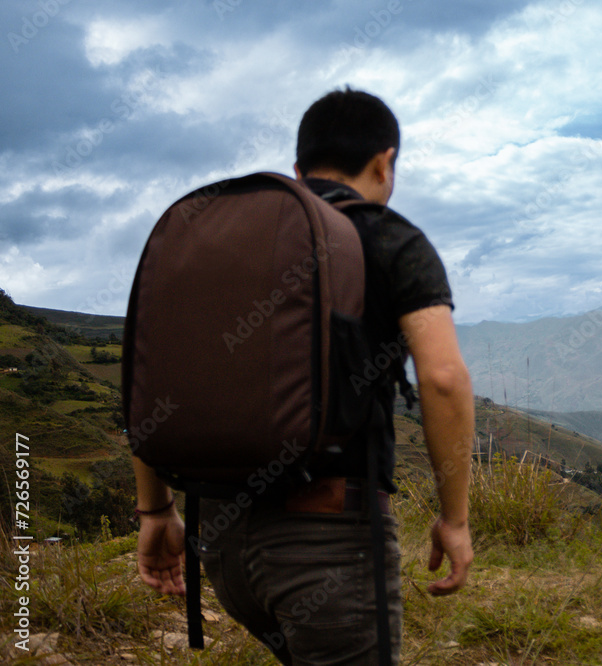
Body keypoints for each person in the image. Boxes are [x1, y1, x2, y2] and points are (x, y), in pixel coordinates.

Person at [132, 88, 475, 665]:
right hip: (327, 543)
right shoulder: (389, 238)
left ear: (299, 169)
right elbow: (442, 378)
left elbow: (158, 370)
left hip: (221, 544)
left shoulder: (223, 242)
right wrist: (455, 518)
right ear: (385, 162)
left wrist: (155, 509)